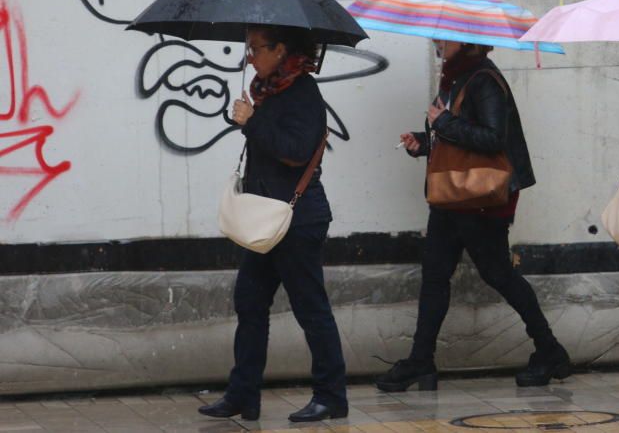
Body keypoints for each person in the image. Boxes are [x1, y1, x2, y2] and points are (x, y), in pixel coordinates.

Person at [375, 40, 571, 392]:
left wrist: (445, 122)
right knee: (435, 275)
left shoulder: (483, 79)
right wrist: (424, 141)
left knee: (498, 274)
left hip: (483, 199)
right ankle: (421, 361)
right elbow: (455, 139)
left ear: (464, 41)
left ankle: (550, 350)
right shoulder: (454, 79)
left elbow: (493, 138)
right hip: (451, 195)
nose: (437, 43)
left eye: (444, 38)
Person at [198, 26, 349, 423]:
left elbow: (296, 152)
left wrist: (251, 122)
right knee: (250, 303)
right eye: (249, 49)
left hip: (297, 219)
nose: (250, 57)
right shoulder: (270, 91)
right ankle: (243, 394)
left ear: (281, 50)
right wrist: (250, 118)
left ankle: (331, 396)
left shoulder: (302, 94)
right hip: (265, 217)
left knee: (310, 309)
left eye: (256, 49)